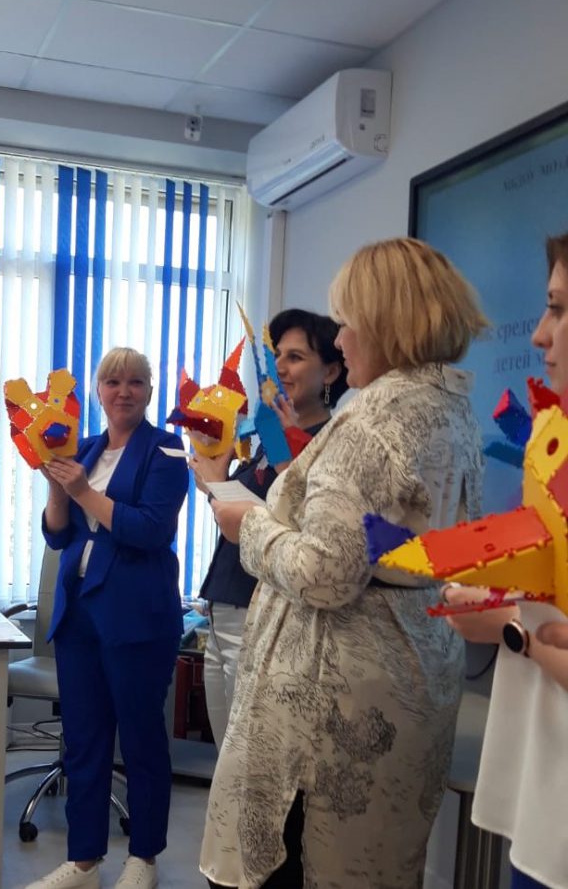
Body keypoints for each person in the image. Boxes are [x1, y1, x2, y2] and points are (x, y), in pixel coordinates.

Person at [199, 237, 489, 889]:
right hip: (410, 678)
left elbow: (326, 572)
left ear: (385, 323)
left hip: (330, 709)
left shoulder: (370, 425)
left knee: (297, 864)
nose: (341, 338)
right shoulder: (453, 414)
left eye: (347, 322)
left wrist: (250, 528)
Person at [26, 348, 188, 889]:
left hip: (137, 617)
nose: (124, 391)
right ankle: (84, 862)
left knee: (141, 741)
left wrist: (82, 491)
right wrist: (57, 488)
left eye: (136, 382)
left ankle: (144, 858)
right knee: (84, 742)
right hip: (79, 616)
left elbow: (149, 530)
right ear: (97, 392)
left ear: (149, 391)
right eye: (113, 382)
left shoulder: (167, 451)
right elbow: (58, 534)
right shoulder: (84, 449)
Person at [445, 231, 568, 889]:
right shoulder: (554, 440)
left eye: (560, 309)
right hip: (540, 772)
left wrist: (510, 627)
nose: (540, 335)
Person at [190, 308, 348, 751]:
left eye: (295, 357)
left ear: (330, 371)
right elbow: (249, 517)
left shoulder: (330, 443)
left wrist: (219, 486)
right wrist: (215, 481)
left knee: (249, 755)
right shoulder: (267, 436)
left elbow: (303, 525)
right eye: (277, 355)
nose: (279, 367)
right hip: (225, 605)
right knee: (226, 757)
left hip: (266, 611)